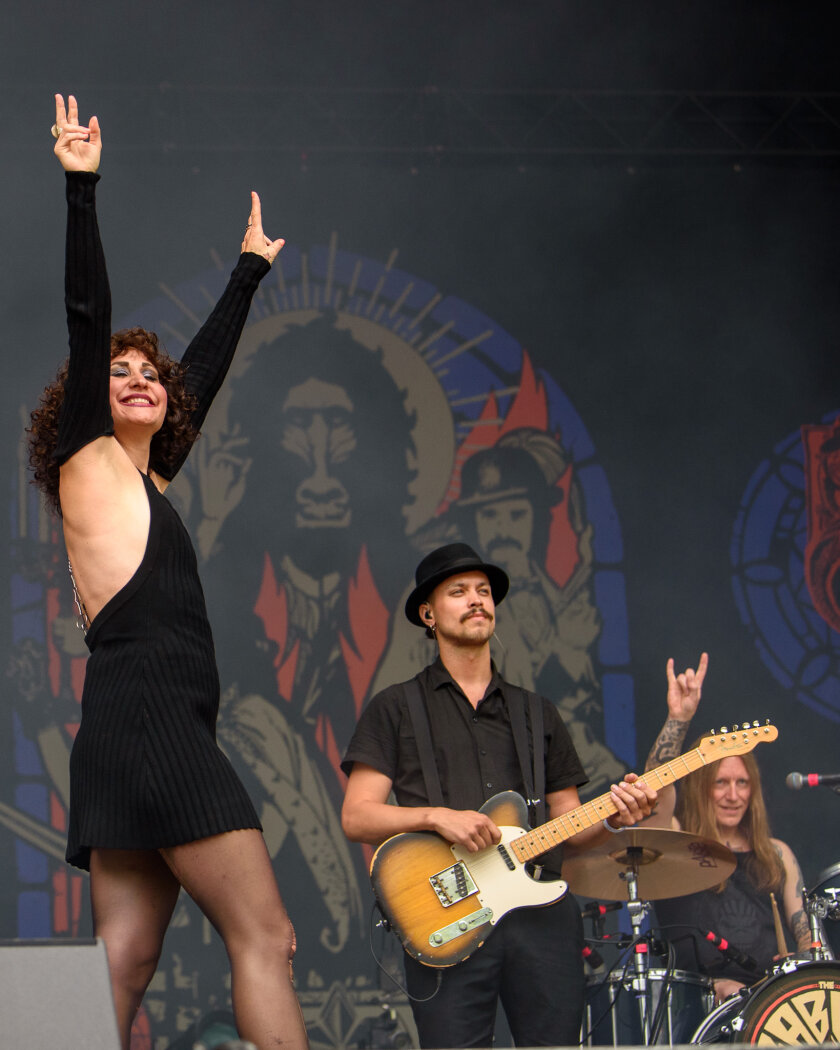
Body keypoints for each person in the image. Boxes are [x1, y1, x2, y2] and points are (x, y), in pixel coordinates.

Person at [27, 95, 308, 1050]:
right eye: (120, 372)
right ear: (85, 400)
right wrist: (81, 188)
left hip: (129, 723)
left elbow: (201, 376)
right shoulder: (89, 458)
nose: (143, 378)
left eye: (150, 372)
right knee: (266, 935)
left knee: (124, 958)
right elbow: (85, 314)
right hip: (150, 718)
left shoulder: (149, 479)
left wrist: (248, 276)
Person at [340, 542, 658, 1048]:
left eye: (484, 592)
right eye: (459, 592)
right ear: (428, 614)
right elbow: (357, 817)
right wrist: (439, 817)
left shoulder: (538, 714)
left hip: (541, 915)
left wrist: (618, 817)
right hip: (447, 912)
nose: (477, 601)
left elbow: (571, 826)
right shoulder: (395, 707)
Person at [644, 652, 811, 1003]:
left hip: (770, 1003)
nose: (733, 796)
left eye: (742, 783)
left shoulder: (778, 853)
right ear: (701, 787)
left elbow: (806, 937)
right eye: (721, 783)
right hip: (698, 1003)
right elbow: (654, 793)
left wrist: (801, 961)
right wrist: (679, 718)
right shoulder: (679, 839)